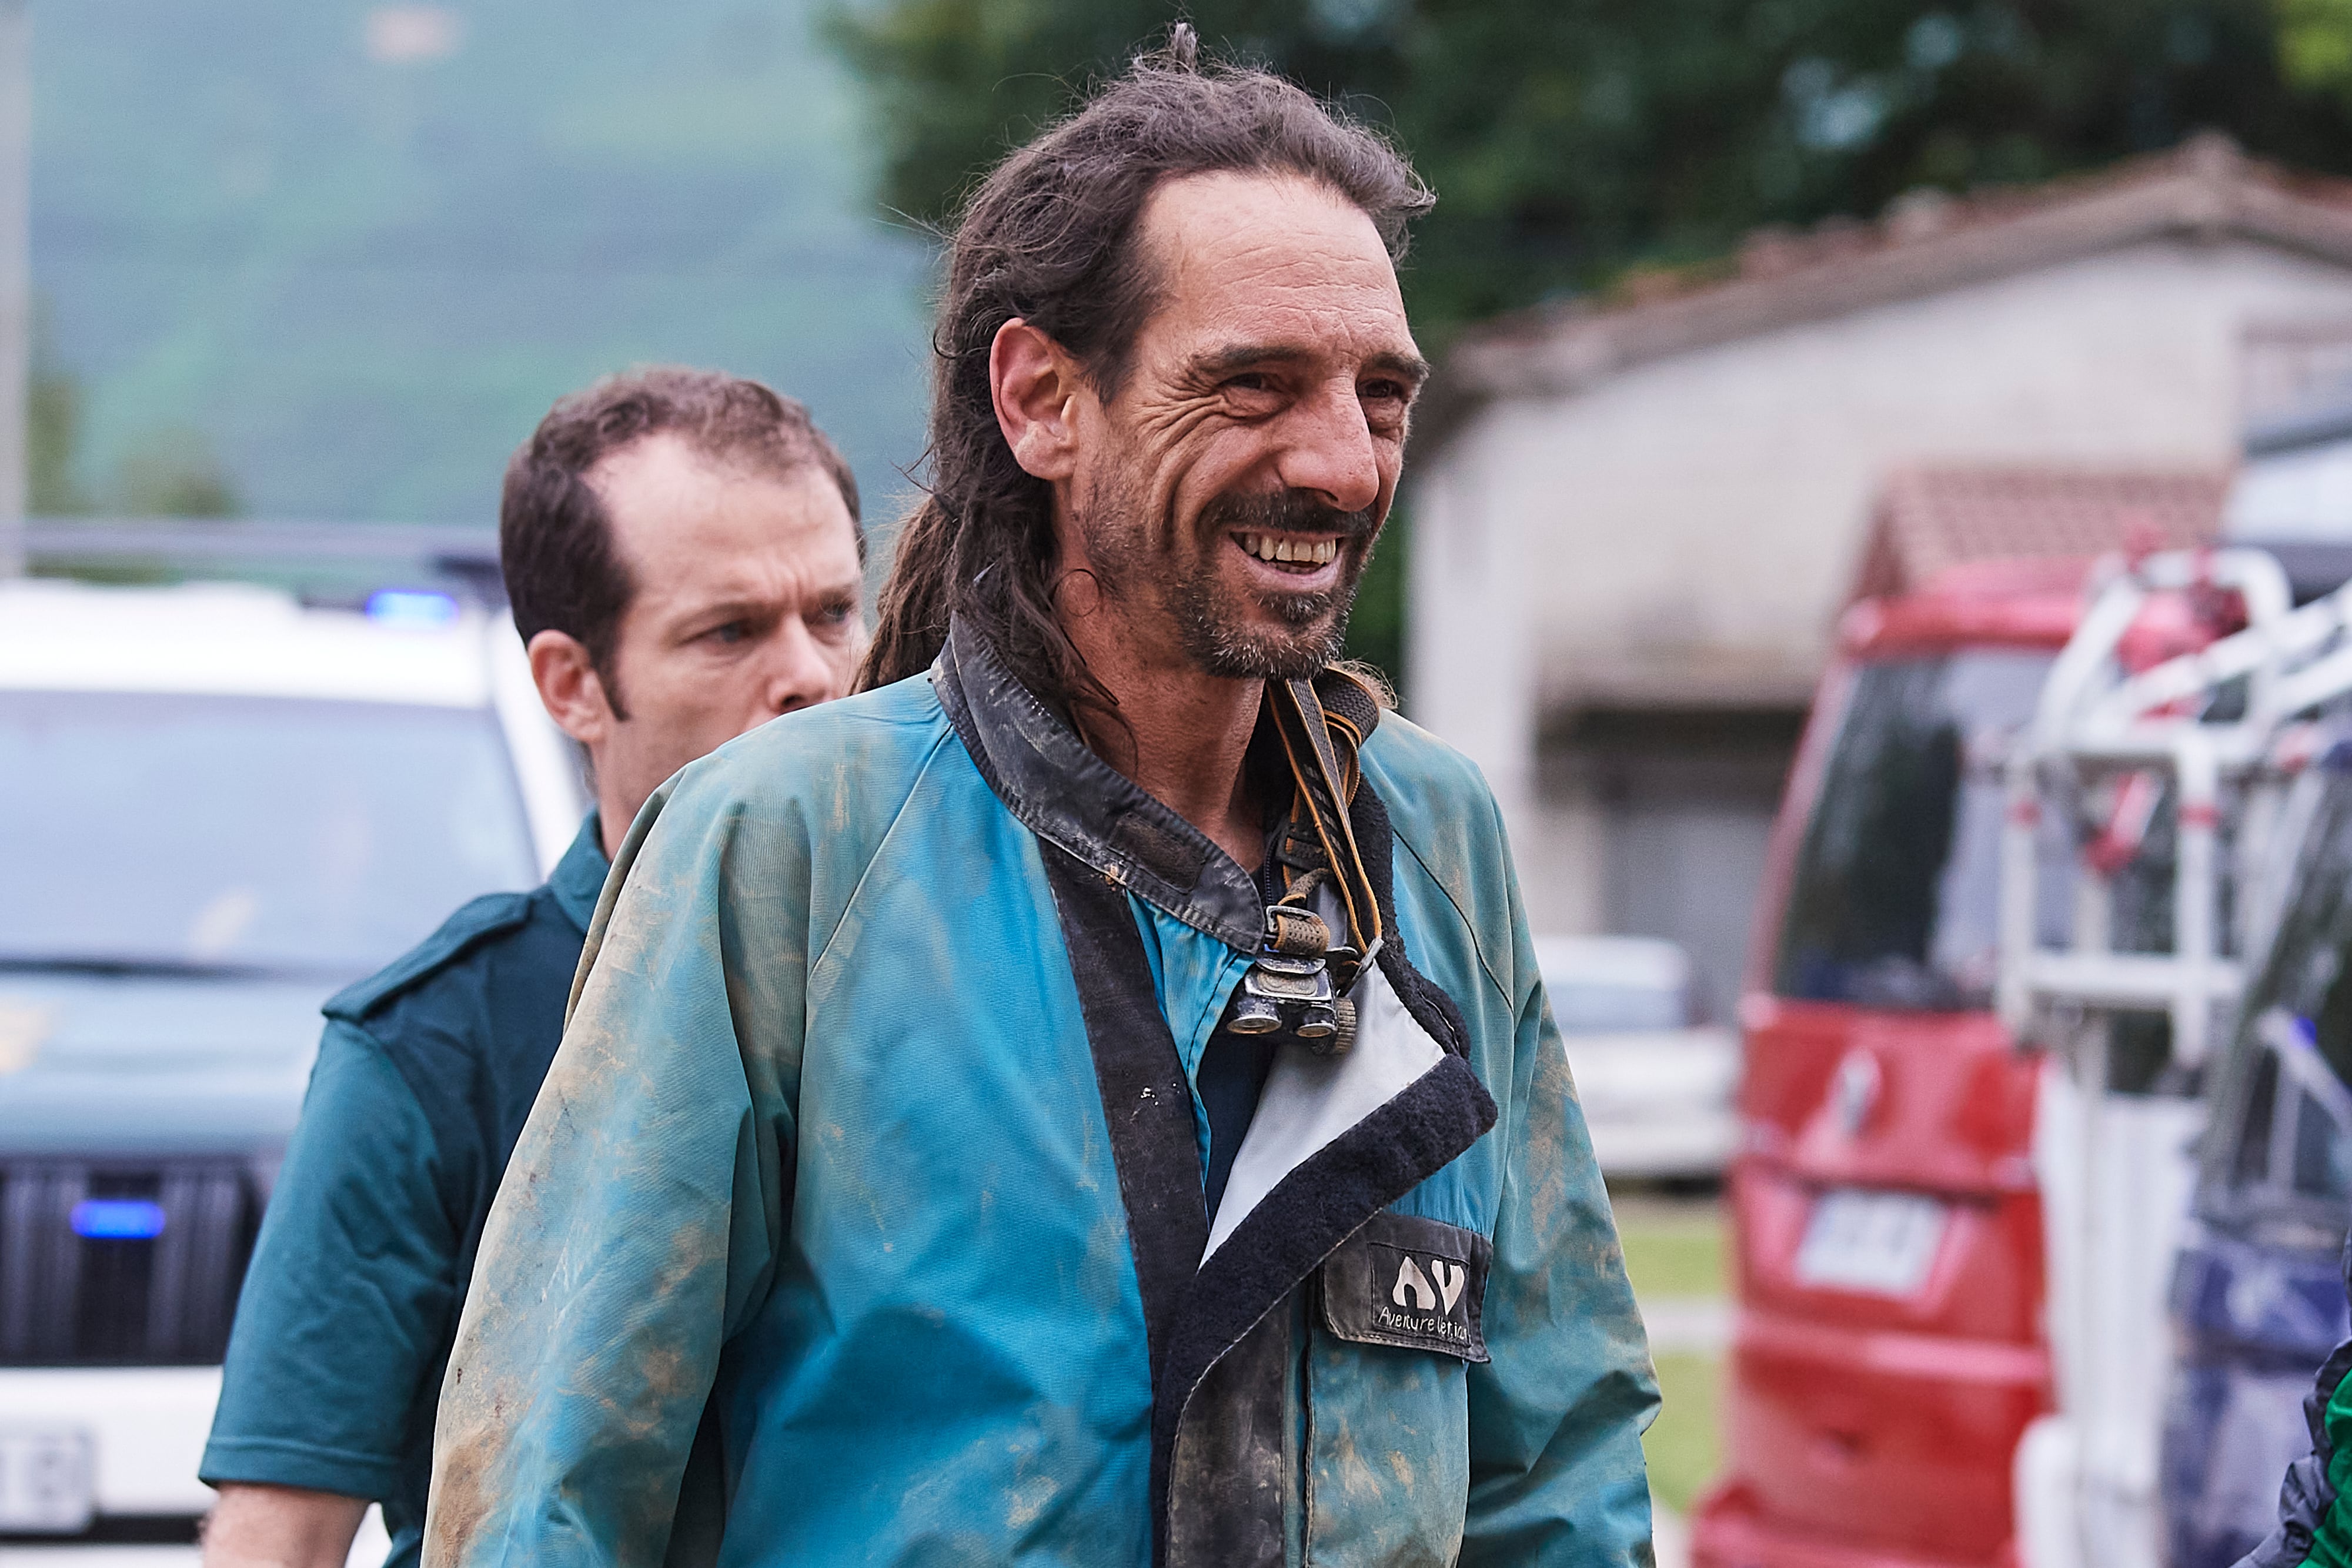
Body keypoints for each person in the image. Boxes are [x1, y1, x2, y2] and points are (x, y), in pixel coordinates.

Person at [429, 37, 1658, 1568]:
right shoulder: (784, 851)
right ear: (1041, 400)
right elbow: (551, 1487)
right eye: (1253, 385)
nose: (1342, 461)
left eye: (1381, 395)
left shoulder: (1434, 840)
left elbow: (1558, 1463)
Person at [198, 367, 868, 1568]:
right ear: (572, 683)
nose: (810, 675)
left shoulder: (975, 981)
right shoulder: (434, 1045)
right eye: (729, 630)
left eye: (830, 613)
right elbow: (279, 1535)